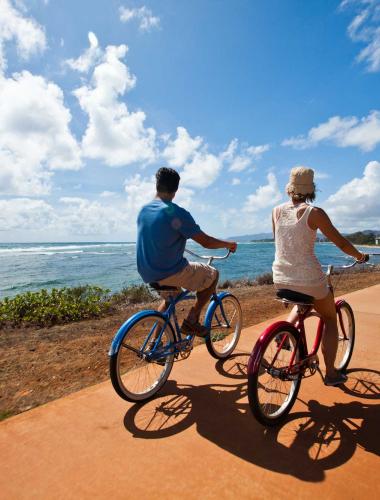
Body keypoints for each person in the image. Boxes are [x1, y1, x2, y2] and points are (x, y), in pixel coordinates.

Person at [272, 166, 368, 386]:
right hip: (309, 278)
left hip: (280, 275)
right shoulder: (314, 213)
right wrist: (360, 256)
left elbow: (281, 242)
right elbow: (342, 243)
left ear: (290, 188)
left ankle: (285, 335)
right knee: (329, 318)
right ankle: (332, 373)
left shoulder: (275, 211)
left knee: (302, 301)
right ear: (310, 190)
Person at [137, 167, 237, 337]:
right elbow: (205, 242)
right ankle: (192, 320)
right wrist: (229, 244)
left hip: (148, 271)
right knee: (212, 274)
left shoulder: (144, 211)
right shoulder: (176, 213)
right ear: (176, 189)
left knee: (171, 297)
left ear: (157, 185)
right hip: (170, 272)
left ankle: (155, 344)